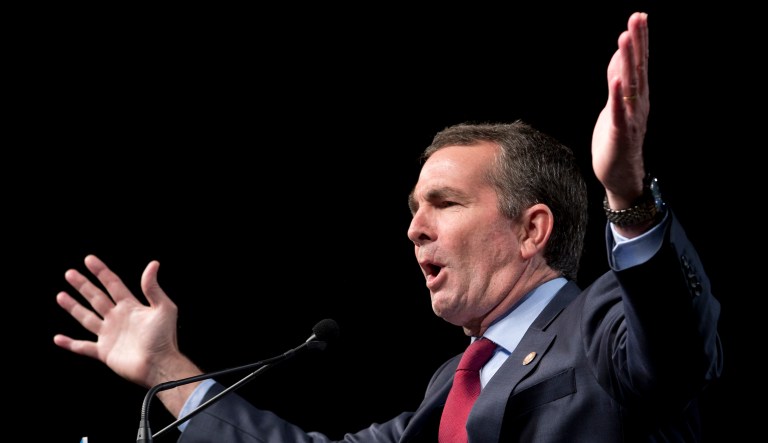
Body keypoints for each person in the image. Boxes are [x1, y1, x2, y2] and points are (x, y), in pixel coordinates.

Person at [53, 11, 723, 442]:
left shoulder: (605, 322)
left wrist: (628, 195)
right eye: (412, 210)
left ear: (532, 229)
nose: (415, 229)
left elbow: (679, 341)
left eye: (446, 203)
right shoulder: (448, 386)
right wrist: (167, 369)